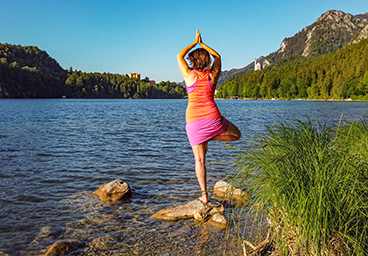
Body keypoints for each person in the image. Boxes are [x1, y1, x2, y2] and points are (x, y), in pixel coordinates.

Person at [177, 29, 241, 204]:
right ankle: (211, 137)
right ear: (206, 60)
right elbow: (218, 56)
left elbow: (179, 55)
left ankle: (204, 196)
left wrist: (194, 42)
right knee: (237, 135)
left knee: (199, 160)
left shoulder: (189, 76)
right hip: (213, 118)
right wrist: (203, 44)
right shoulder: (213, 75)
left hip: (194, 122)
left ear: (193, 60)